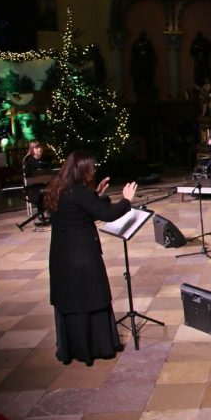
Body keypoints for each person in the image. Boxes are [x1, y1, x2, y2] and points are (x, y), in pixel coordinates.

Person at [45, 151, 137, 365]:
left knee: (71, 297)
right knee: (89, 295)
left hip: (60, 255)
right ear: (82, 170)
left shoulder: (59, 189)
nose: (93, 172)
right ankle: (96, 346)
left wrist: (95, 194)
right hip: (81, 256)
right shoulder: (79, 193)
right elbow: (107, 214)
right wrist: (126, 200)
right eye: (91, 168)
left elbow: (82, 209)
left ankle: (74, 348)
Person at [23, 140, 53, 225]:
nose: (39, 149)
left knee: (51, 191)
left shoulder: (46, 158)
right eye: (36, 147)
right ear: (32, 149)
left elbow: (50, 172)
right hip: (34, 184)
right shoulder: (28, 160)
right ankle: (40, 213)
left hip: (46, 182)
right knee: (39, 192)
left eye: (40, 147)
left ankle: (51, 213)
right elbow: (28, 176)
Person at [129, 31, 156, 101]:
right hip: (139, 68)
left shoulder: (148, 45)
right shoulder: (136, 45)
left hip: (146, 68)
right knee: (139, 86)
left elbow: (152, 56)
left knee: (147, 85)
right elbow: (134, 54)